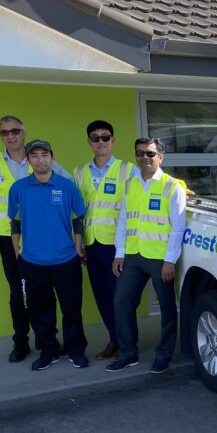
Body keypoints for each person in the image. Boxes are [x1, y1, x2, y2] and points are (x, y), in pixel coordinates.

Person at [0, 115, 68, 362]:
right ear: (0, 136)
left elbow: (67, 185)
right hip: (9, 238)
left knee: (43, 291)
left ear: (24, 132)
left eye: (15, 130)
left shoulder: (39, 157)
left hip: (41, 236)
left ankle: (48, 340)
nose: (10, 135)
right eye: (4, 132)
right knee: (18, 293)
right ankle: (21, 342)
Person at [7, 140, 89, 371]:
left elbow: (78, 220)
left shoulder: (67, 186)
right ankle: (49, 351)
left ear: (52, 157)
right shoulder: (18, 188)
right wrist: (18, 253)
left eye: (44, 155)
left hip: (66, 260)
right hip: (32, 262)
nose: (40, 160)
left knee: (72, 309)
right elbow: (15, 223)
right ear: (28, 160)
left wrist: (77, 248)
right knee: (39, 310)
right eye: (34, 155)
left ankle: (75, 349)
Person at [106, 137, 186, 374]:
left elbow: (178, 227)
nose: (145, 158)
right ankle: (128, 353)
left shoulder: (172, 186)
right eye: (140, 153)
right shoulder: (130, 184)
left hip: (160, 259)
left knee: (167, 309)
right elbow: (123, 220)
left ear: (160, 157)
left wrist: (170, 260)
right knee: (121, 302)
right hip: (133, 256)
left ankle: (164, 354)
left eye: (150, 153)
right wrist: (119, 253)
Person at [73, 120, 136, 361]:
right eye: (95, 138)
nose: (101, 141)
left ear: (113, 140)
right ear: (89, 142)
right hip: (92, 245)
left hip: (118, 247)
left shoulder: (127, 170)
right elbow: (78, 212)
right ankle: (115, 340)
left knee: (121, 298)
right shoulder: (80, 172)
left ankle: (128, 345)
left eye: (105, 137)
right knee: (102, 296)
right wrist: (79, 243)